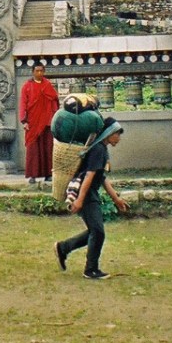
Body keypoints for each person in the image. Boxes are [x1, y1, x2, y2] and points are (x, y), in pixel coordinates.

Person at [54, 118, 130, 280]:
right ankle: (91, 269)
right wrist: (80, 200)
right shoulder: (98, 151)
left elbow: (101, 177)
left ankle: (63, 248)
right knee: (98, 232)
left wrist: (116, 199)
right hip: (86, 194)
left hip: (90, 193)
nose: (119, 138)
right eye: (117, 134)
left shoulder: (101, 149)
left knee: (95, 231)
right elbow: (89, 176)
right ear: (109, 134)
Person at [19, 64, 59, 183]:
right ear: (33, 72)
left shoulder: (47, 85)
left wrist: (54, 118)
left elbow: (54, 101)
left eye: (41, 71)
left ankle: (48, 174)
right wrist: (24, 121)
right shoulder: (27, 86)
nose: (39, 73)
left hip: (47, 122)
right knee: (33, 149)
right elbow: (23, 104)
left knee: (48, 148)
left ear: (44, 72)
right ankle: (32, 175)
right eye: (37, 71)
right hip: (33, 122)